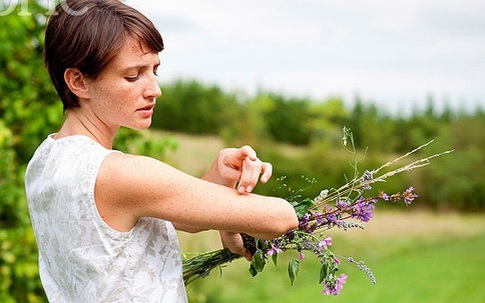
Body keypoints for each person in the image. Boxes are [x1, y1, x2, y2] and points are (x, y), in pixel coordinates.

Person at [24, 0, 298, 302]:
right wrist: (235, 213)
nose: (155, 89)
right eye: (133, 75)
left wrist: (220, 178)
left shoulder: (46, 160)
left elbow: (173, 216)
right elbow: (281, 218)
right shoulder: (120, 173)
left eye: (155, 70)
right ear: (78, 81)